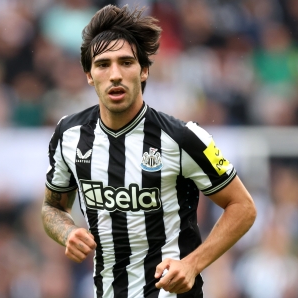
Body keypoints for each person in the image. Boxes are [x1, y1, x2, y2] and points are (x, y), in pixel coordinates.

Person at [41, 5, 257, 297]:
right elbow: (53, 207)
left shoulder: (182, 137)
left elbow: (243, 207)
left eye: (126, 62)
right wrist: (67, 232)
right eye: (103, 64)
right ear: (89, 75)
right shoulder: (69, 135)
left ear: (143, 70)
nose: (115, 74)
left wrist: (193, 264)